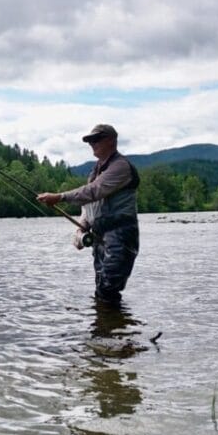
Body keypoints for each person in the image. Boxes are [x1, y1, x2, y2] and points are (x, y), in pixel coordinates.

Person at [37, 124, 140, 304]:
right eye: (90, 141)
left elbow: (93, 191)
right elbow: (88, 204)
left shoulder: (121, 166)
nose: (92, 143)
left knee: (108, 289)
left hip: (120, 236)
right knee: (101, 287)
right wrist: (82, 227)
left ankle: (113, 329)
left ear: (111, 140)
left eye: (96, 139)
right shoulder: (95, 171)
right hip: (100, 237)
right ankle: (109, 329)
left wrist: (59, 197)